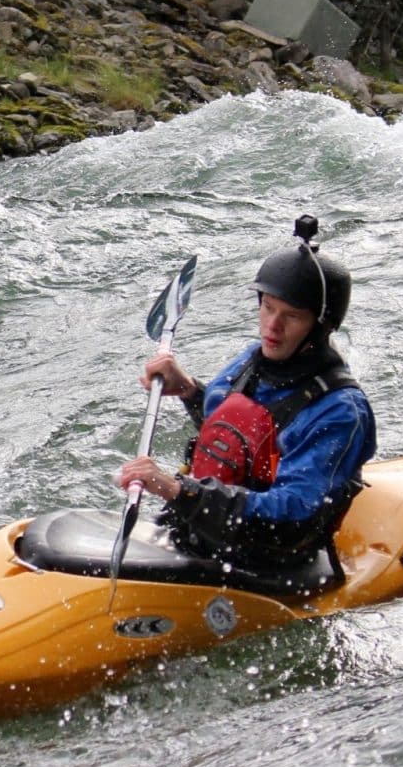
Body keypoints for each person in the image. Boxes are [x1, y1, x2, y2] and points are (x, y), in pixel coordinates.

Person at [117, 215, 377, 574]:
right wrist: (189, 390)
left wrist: (178, 491)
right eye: (268, 307)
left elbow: (292, 519)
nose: (272, 326)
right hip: (201, 532)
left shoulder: (339, 411)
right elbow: (241, 439)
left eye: (292, 316)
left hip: (266, 562)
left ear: (321, 326)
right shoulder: (252, 362)